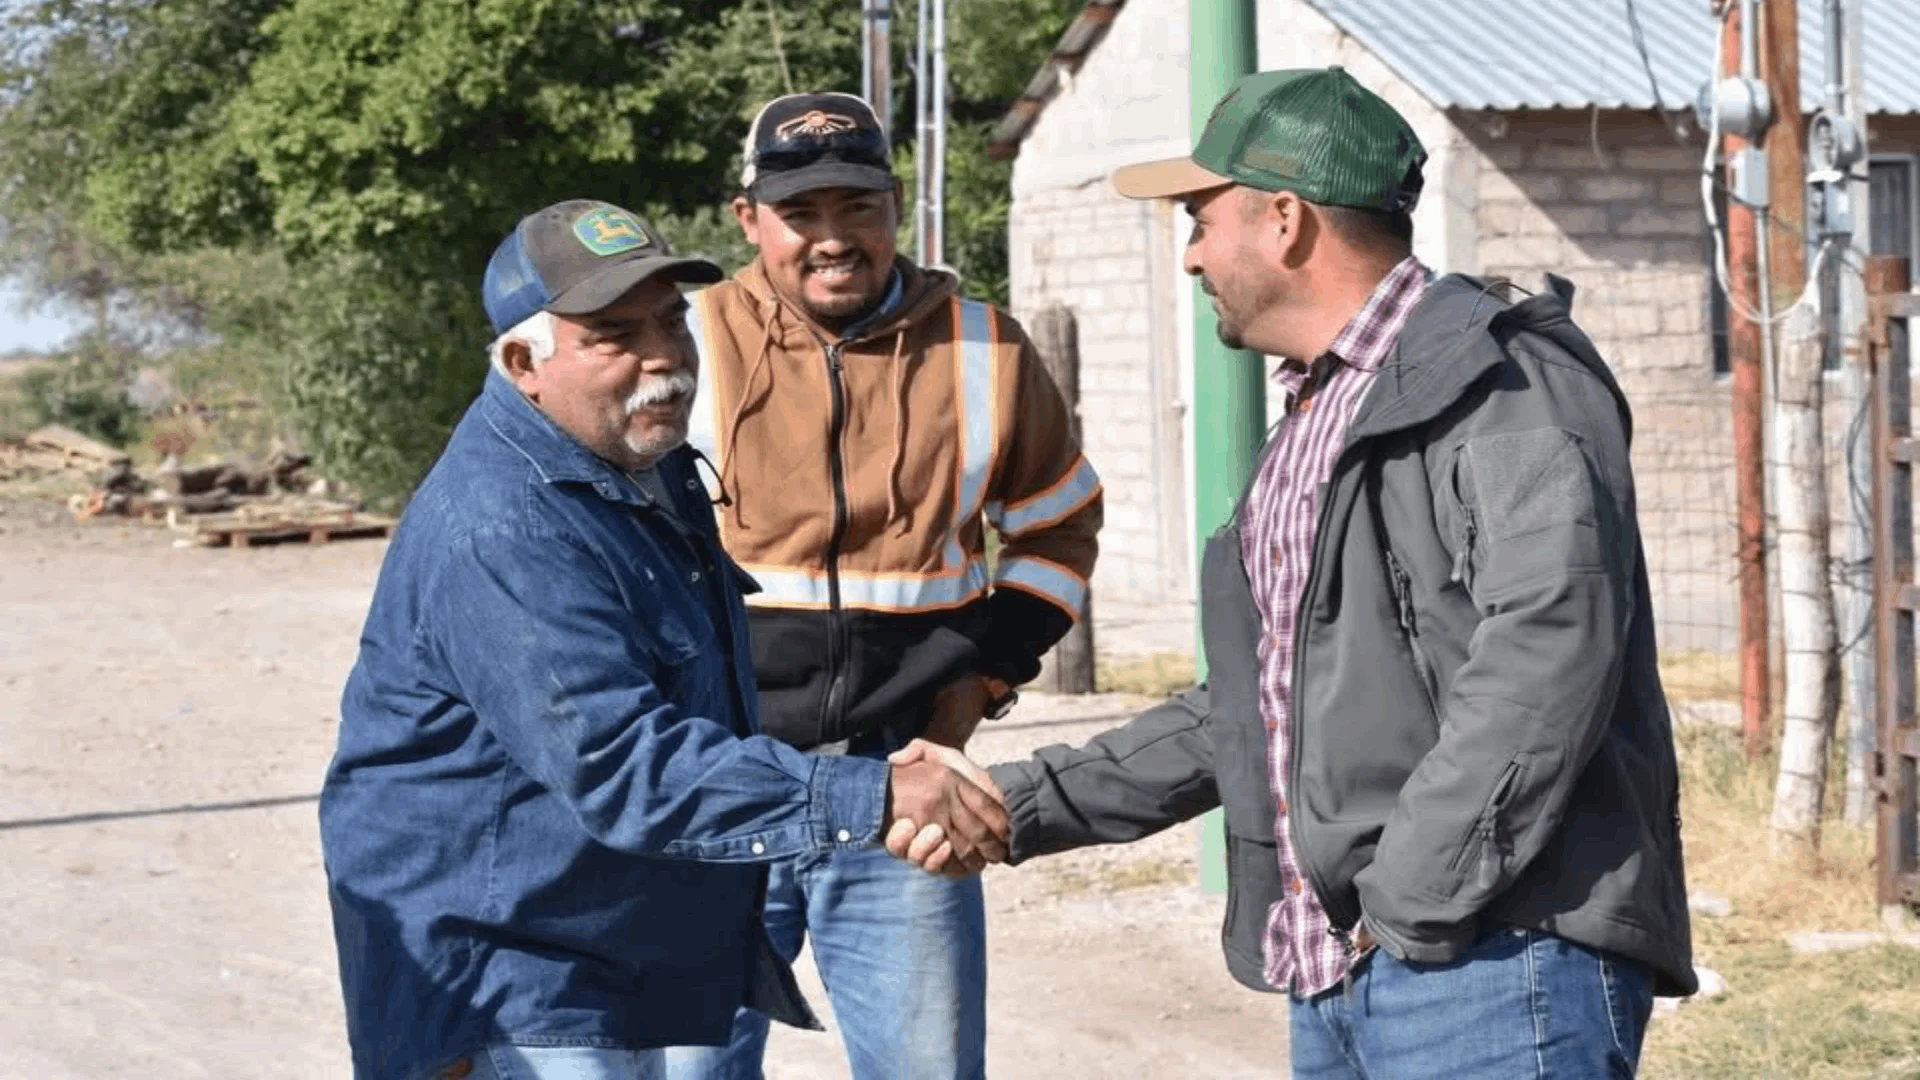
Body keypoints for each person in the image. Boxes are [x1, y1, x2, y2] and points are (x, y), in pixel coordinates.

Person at [894, 67, 1696, 1078]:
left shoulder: (1502, 383)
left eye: (1199, 219)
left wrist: (1406, 900)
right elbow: (1254, 706)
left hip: (1493, 959)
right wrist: (1023, 801)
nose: (1189, 256)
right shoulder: (1322, 413)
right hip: (1348, 973)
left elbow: (1549, 657)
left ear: (1283, 219)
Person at [319, 199, 1009, 1080]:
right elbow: (622, 765)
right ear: (525, 361)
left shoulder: (639, 463)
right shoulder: (505, 526)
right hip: (513, 977)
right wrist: (874, 796)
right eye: (613, 334)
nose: (664, 359)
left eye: (669, 320)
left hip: (610, 949)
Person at [664, 93, 1102, 1080]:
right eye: (801, 213)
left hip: (902, 797)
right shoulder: (681, 340)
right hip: (714, 793)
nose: (832, 239)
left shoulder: (987, 348)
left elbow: (1056, 528)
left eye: (856, 208)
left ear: (895, 206)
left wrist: (974, 692)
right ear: (749, 219)